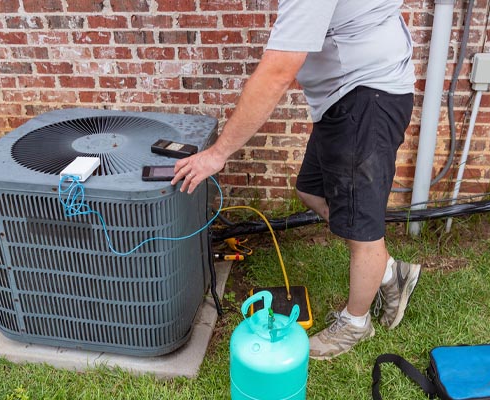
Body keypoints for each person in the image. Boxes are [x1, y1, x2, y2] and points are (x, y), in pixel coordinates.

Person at [171, 0, 421, 360]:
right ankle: (388, 272)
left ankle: (355, 322)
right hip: (343, 96)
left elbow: (278, 71)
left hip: (367, 97)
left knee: (363, 228)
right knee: (310, 190)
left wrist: (218, 153)